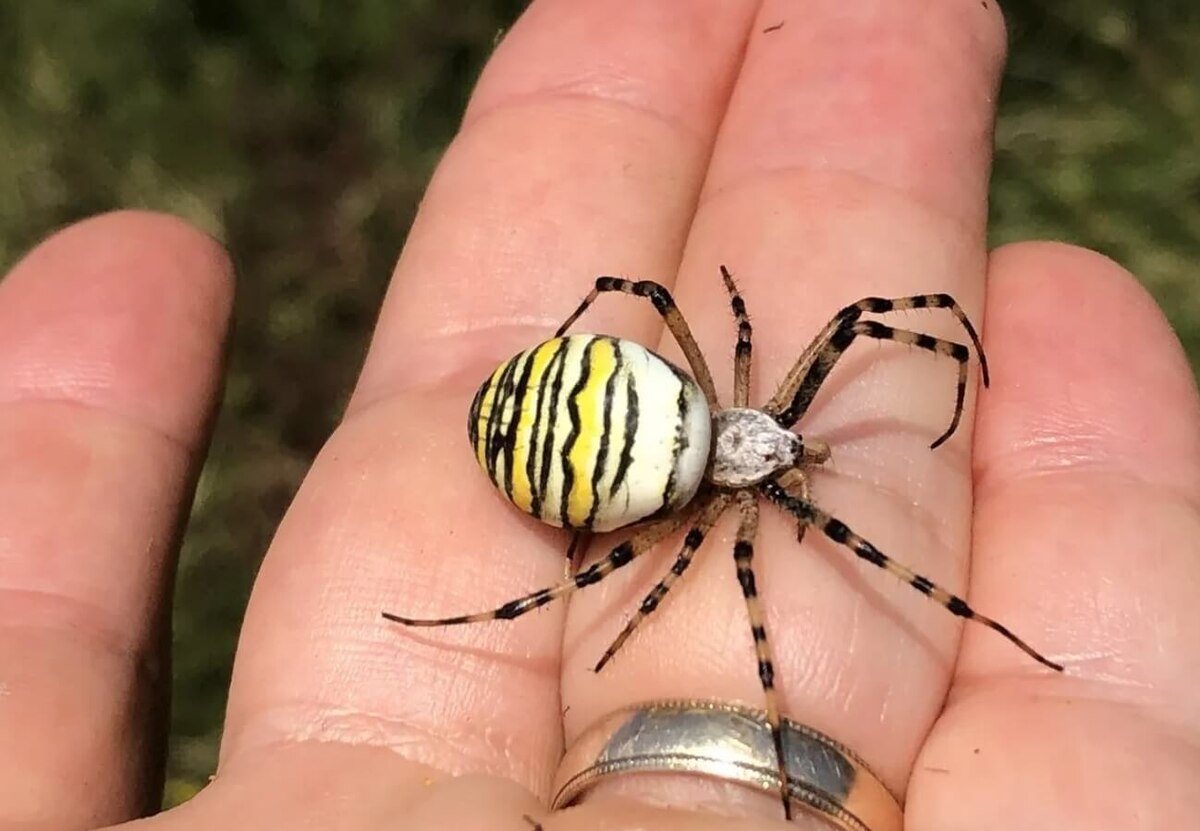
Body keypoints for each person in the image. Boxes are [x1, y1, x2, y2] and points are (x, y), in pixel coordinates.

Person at [4, 2, 1198, 829]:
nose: (784, 449)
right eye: (777, 444)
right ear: (754, 413)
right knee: (822, 518)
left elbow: (671, 299)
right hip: (616, 428)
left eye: (779, 444)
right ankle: (476, 612)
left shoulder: (721, 381)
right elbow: (773, 595)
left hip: (618, 411)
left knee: (834, 328)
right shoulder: (738, 503)